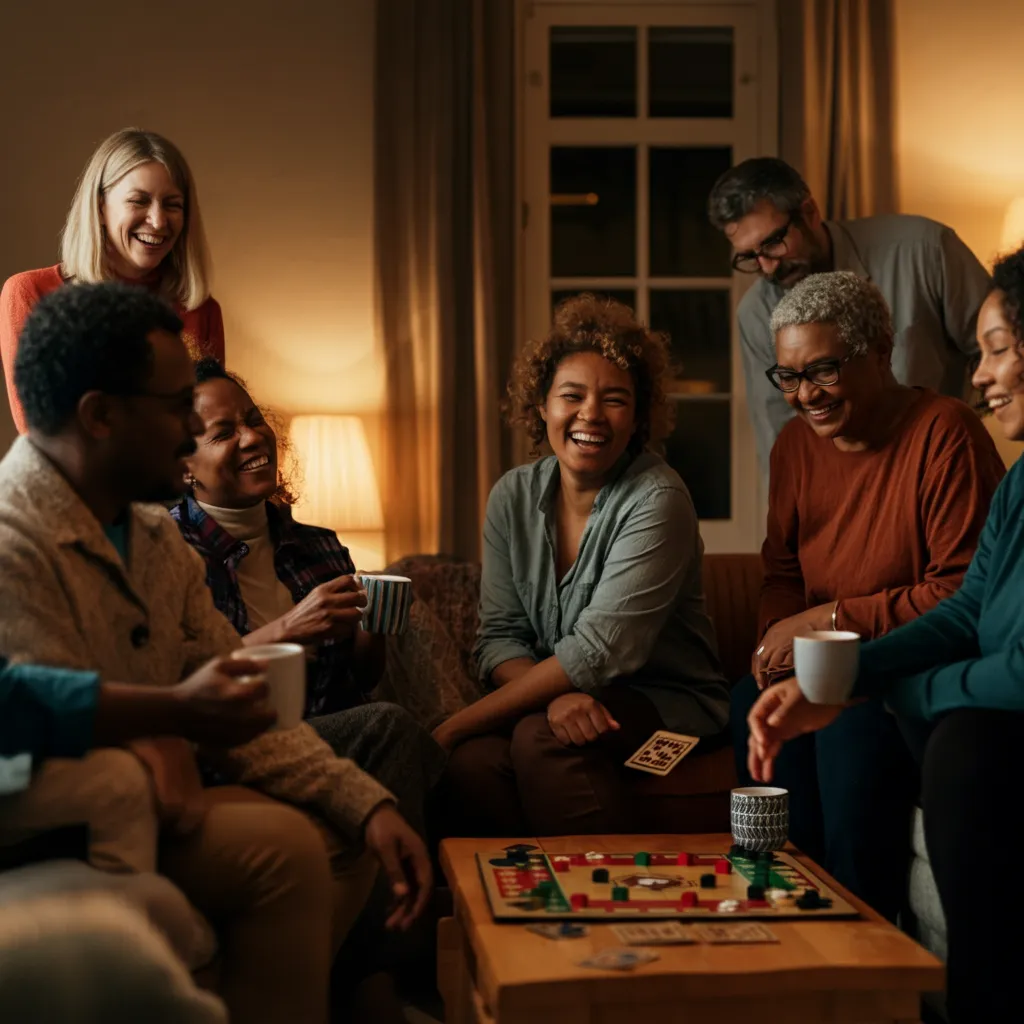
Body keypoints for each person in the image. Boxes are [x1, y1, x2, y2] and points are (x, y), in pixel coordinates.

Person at [0, 280, 429, 1024]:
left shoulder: (156, 539)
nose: (185, 431)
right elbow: (45, 722)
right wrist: (163, 732)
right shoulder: (13, 542)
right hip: (51, 826)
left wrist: (368, 805)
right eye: (175, 411)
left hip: (155, 809)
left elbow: (235, 692)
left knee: (298, 847)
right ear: (100, 415)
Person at [746, 246, 1024, 1024]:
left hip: (938, 693)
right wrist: (814, 661)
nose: (978, 373)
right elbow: (970, 608)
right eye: (789, 377)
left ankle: (862, 966)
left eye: (997, 349)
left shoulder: (944, 433)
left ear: (878, 354)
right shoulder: (1023, 482)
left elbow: (959, 603)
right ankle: (786, 945)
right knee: (758, 702)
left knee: (907, 737)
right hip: (887, 671)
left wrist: (856, 666)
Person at [434, 294, 729, 837]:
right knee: (473, 764)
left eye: (614, 399)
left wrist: (452, 727)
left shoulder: (657, 498)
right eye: (571, 395)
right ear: (540, 406)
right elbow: (499, 637)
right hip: (561, 695)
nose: (590, 414)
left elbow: (598, 652)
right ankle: (515, 913)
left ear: (639, 416)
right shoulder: (511, 497)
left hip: (668, 704)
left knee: (541, 739)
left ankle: (606, 911)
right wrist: (558, 696)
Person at [707, 157, 990, 477]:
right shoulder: (756, 314)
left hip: (947, 473)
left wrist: (962, 433)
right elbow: (781, 444)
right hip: (846, 495)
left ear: (810, 212)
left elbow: (1000, 350)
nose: (768, 267)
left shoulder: (923, 249)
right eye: (749, 256)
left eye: (773, 243)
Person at [1, 127, 225, 433]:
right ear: (100, 207)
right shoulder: (29, 292)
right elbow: (42, 435)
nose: (158, 221)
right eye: (138, 201)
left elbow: (210, 428)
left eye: (172, 204)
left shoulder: (202, 309)